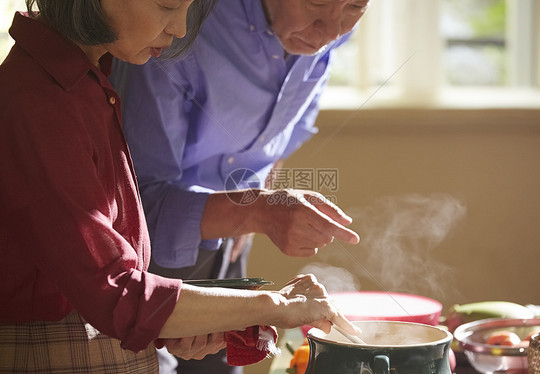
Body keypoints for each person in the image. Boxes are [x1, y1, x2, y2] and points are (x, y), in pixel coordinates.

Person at [0, 0, 361, 372]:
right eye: (168, 6)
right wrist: (277, 306)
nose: (181, 30)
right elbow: (115, 292)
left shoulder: (90, 80)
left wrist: (172, 326)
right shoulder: (39, 103)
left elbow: (93, 288)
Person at [111, 0, 369, 372]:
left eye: (355, 6)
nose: (330, 30)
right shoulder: (178, 28)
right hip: (145, 258)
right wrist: (257, 211)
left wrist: (254, 202)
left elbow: (286, 124)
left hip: (232, 240)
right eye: (316, 2)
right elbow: (134, 206)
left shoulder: (331, 27)